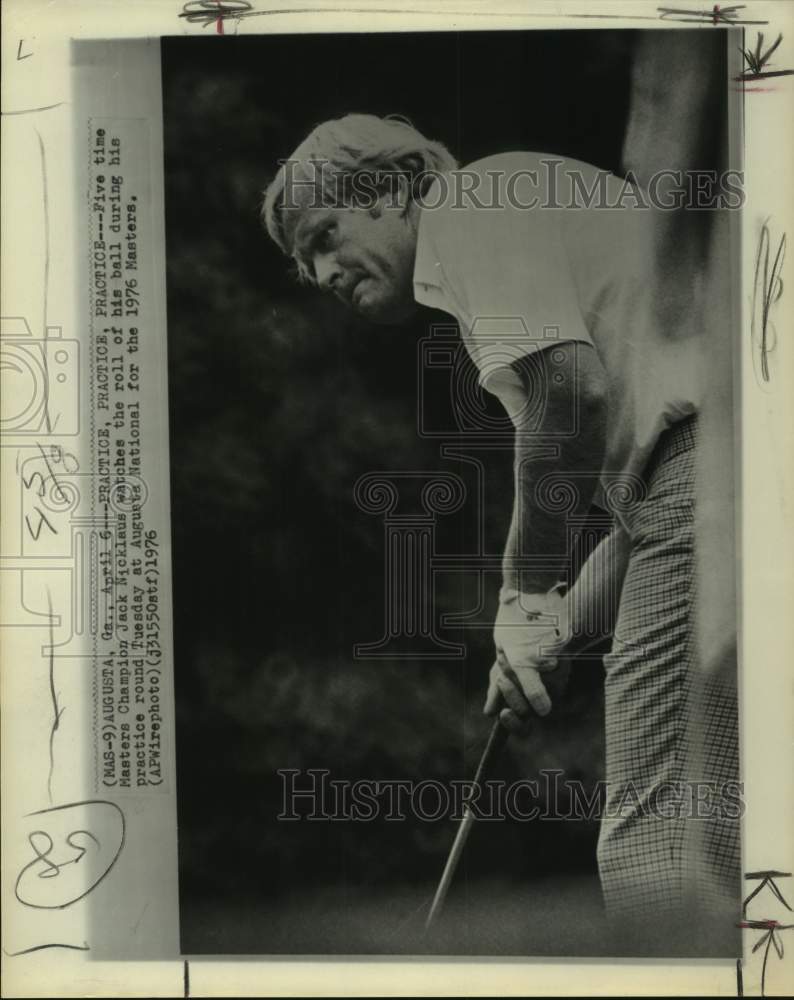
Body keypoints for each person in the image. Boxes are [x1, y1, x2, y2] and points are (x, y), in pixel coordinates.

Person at [262, 114, 739, 924]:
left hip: (715, 479)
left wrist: (523, 598)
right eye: (307, 263)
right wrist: (551, 635)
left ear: (389, 186)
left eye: (325, 234)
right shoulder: (505, 208)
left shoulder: (471, 210)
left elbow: (569, 392)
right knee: (726, 832)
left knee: (656, 845)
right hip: (732, 478)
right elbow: (647, 510)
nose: (321, 271)